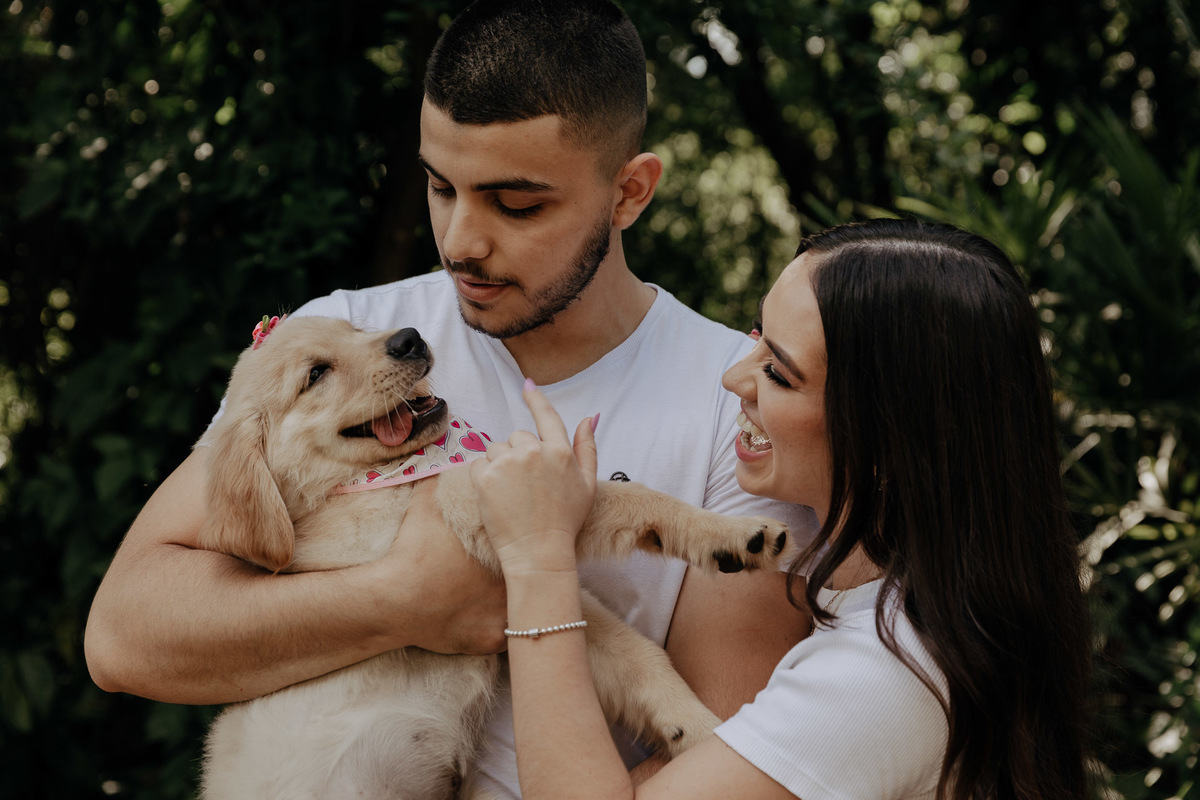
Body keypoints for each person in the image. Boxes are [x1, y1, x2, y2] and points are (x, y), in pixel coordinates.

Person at [83, 0, 816, 794]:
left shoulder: (742, 406)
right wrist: (400, 599)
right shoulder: (347, 334)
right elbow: (124, 640)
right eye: (441, 188)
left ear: (629, 192)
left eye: (518, 204)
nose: (462, 242)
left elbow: (711, 757)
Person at [468, 218, 1094, 799]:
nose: (735, 380)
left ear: (886, 440)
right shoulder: (913, 618)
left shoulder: (882, 676)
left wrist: (538, 562)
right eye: (756, 339)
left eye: (779, 373)